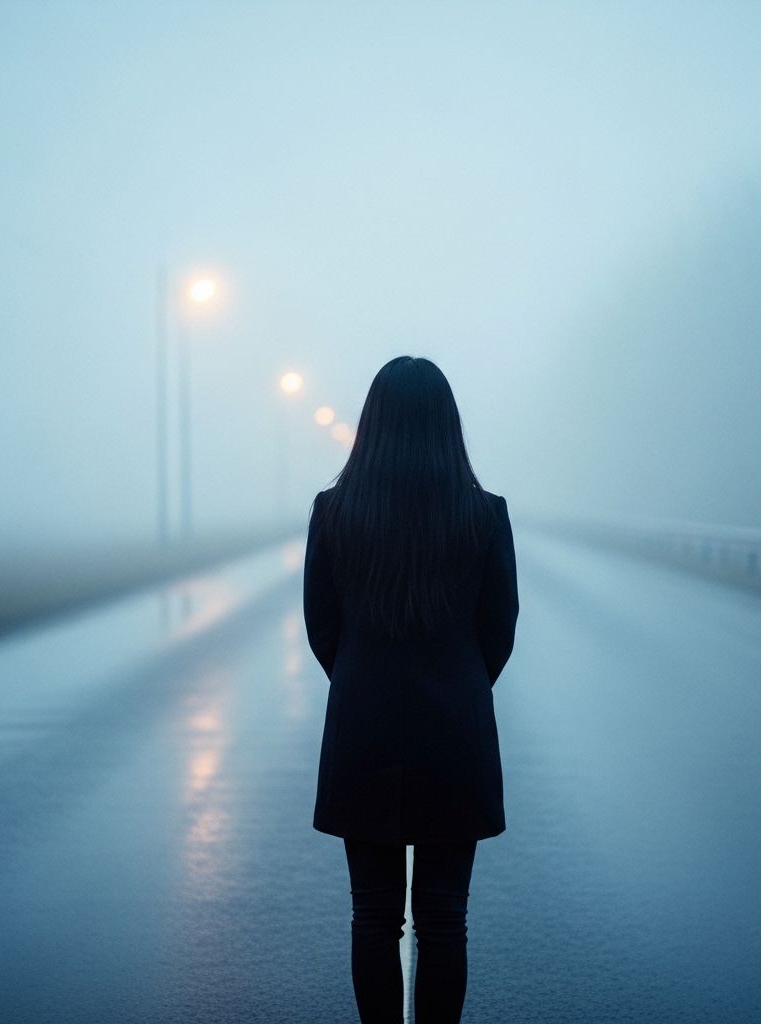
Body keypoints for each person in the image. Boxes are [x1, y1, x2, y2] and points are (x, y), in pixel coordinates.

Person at [303, 355, 519, 1024]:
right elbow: (499, 628)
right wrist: (455, 684)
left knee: (373, 916)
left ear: (371, 425)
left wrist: (366, 679)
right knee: (443, 920)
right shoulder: (484, 515)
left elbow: (322, 627)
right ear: (448, 427)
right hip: (455, 730)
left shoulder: (334, 511)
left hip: (364, 727)